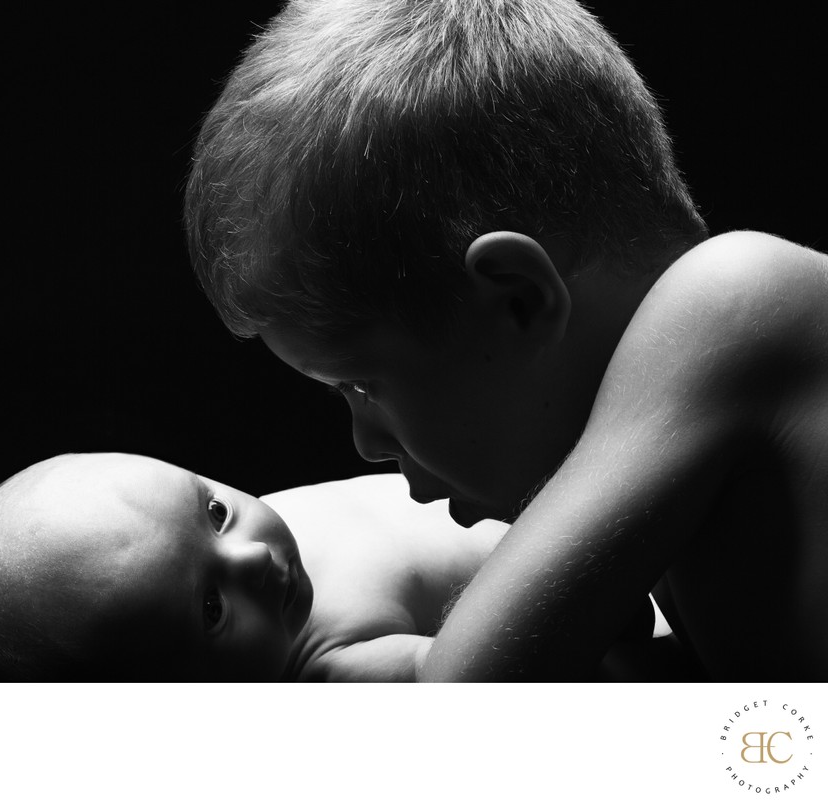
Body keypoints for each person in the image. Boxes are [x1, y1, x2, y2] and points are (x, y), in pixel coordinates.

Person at [183, 0, 828, 681]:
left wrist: (327, 659)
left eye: (361, 386)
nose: (365, 444)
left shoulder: (736, 304)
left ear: (518, 300)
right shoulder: (694, 488)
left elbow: (469, 707)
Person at [0, 453, 679, 681]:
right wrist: (603, 597)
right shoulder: (333, 668)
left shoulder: (255, 535)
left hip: (562, 506)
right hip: (620, 588)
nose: (254, 559)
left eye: (215, 512)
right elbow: (503, 671)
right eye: (211, 610)